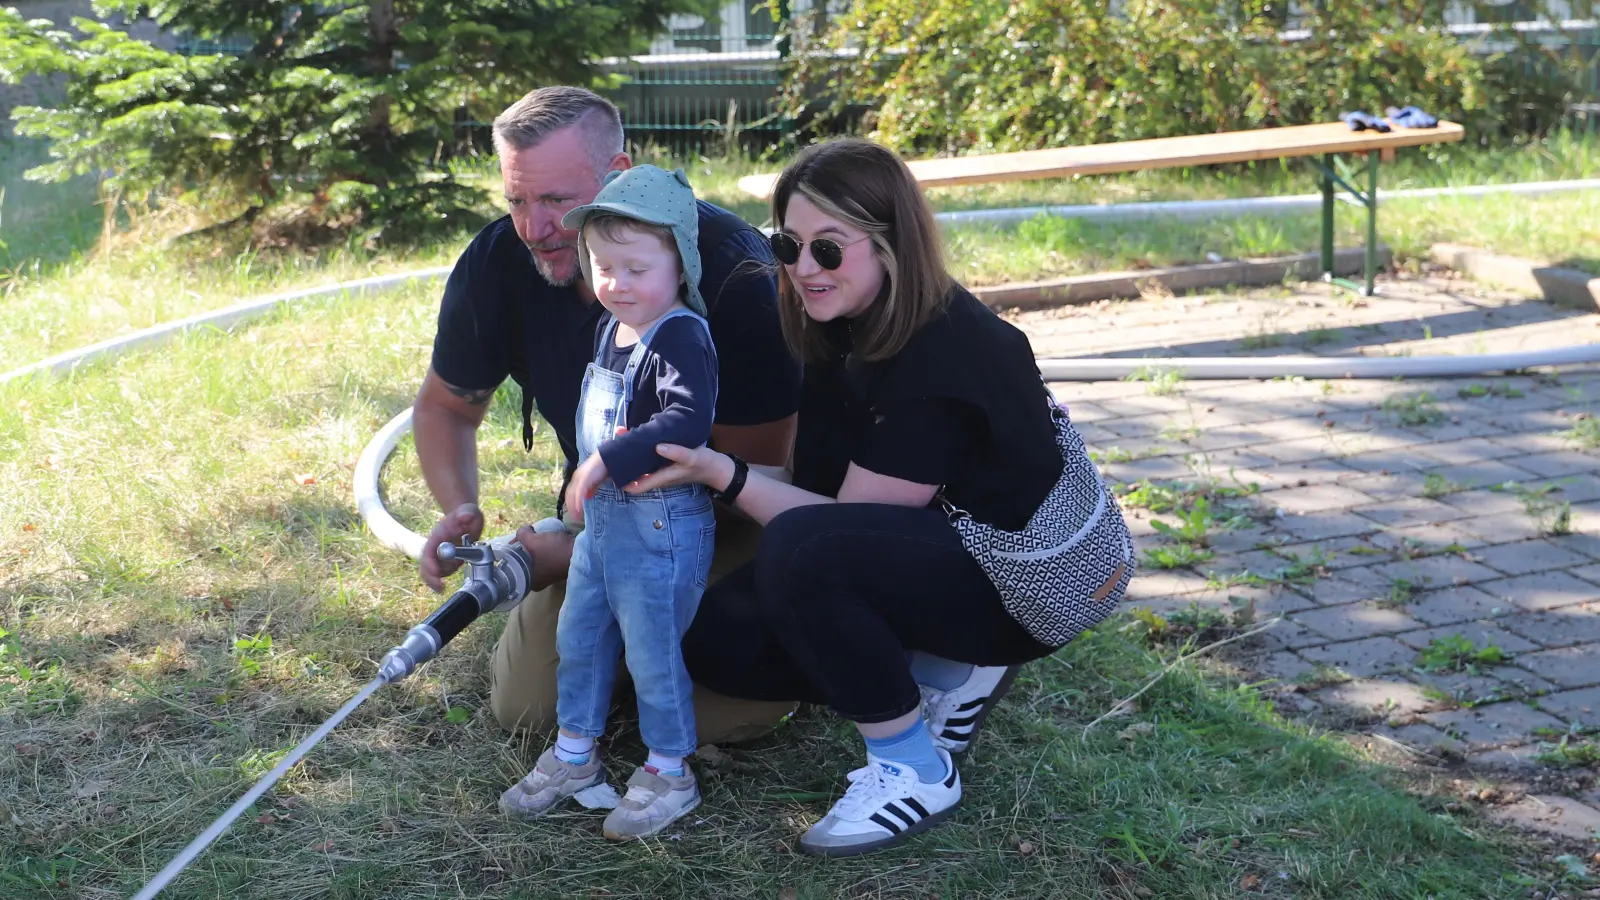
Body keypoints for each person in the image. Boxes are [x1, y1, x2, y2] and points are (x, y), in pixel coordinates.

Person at [620, 137, 1135, 857]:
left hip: (1030, 589)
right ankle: (942, 674)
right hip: (944, 550)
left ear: (892, 244)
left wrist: (720, 474)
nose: (802, 268)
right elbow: (816, 491)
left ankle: (914, 768)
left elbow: (834, 529)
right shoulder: (841, 331)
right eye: (787, 244)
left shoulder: (942, 352)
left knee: (803, 553)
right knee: (718, 643)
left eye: (829, 250)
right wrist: (697, 461)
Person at [413, 87, 800, 746]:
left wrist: (565, 554)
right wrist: (459, 508)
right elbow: (446, 406)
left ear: (616, 175)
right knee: (528, 712)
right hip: (602, 513)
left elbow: (753, 481)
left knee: (730, 710)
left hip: (729, 520)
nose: (535, 228)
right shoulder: (497, 264)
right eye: (517, 200)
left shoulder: (732, 274)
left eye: (559, 202)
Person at [498, 164, 720, 839]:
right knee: (581, 636)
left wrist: (603, 459)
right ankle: (575, 755)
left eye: (636, 268)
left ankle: (669, 771)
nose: (617, 283)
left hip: (661, 528)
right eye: (602, 266)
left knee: (652, 650)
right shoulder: (611, 328)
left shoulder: (681, 334)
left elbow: (686, 422)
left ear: (679, 267)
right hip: (603, 530)